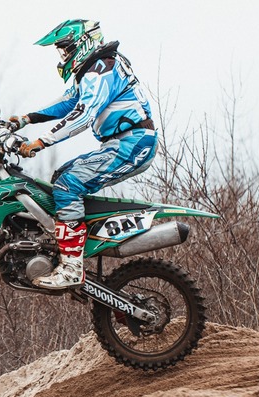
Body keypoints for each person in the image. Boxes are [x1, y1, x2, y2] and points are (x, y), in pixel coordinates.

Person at [10, 20, 157, 289]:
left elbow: (83, 114)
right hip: (122, 141)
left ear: (83, 42)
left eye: (65, 49)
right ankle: (71, 245)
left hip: (133, 142)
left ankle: (72, 267)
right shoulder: (95, 68)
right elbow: (68, 102)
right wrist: (25, 119)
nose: (63, 56)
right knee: (62, 176)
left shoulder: (102, 70)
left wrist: (42, 141)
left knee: (69, 185)